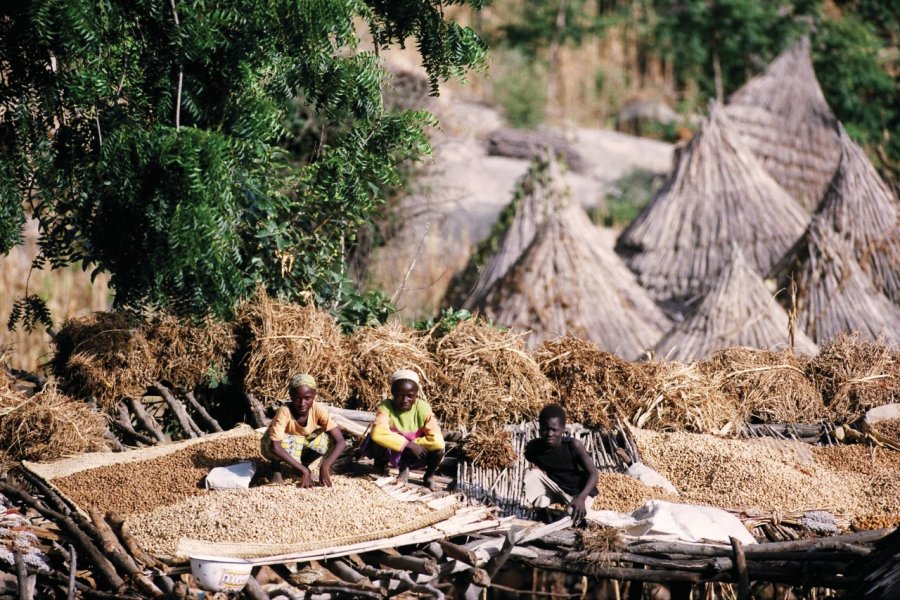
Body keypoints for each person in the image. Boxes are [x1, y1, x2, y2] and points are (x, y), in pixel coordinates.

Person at [360, 369, 445, 490]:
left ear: (416, 394)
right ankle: (379, 466)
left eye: (410, 396)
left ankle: (428, 477)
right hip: (392, 448)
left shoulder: (423, 408)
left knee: (439, 450)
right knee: (374, 438)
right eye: (400, 395)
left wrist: (414, 444)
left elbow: (437, 440)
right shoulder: (386, 406)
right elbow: (378, 433)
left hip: (415, 451)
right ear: (393, 393)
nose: (405, 400)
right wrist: (407, 444)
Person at [260, 374, 346, 487]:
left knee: (328, 439)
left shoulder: (318, 410)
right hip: (272, 446)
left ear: (314, 395)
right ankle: (276, 469)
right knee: (284, 440)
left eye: (307, 398)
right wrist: (305, 472)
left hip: (300, 443)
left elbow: (340, 441)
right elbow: (275, 447)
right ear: (291, 396)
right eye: (297, 398)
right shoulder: (284, 411)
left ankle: (303, 465)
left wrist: (325, 467)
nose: (302, 403)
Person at [524, 403, 598, 525]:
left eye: (554, 430)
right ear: (540, 428)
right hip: (556, 489)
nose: (549, 433)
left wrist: (581, 498)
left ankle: (562, 516)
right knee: (531, 475)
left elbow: (594, 473)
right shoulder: (534, 448)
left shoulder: (573, 446)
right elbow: (532, 460)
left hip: (578, 492)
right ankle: (542, 512)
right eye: (545, 429)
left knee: (572, 513)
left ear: (563, 429)